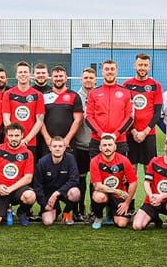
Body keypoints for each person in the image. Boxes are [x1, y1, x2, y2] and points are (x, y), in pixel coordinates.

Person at [0, 123, 37, 227]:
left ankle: (22, 212)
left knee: (30, 196)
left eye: (17, 136)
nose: (14, 138)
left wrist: (11, 188)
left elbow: (28, 178)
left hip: (16, 189)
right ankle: (4, 211)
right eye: (11, 135)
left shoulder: (27, 153)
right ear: (6, 136)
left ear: (22, 136)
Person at [132, 134, 167, 231]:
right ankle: (154, 217)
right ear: (165, 146)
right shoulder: (154, 162)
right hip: (153, 200)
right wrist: (151, 196)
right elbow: (146, 182)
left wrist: (162, 197)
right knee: (137, 226)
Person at [85, 59, 133, 160]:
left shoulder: (126, 92)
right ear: (102, 71)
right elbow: (88, 117)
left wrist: (116, 135)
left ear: (116, 71)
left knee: (119, 175)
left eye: (112, 69)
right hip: (97, 140)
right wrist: (101, 134)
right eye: (106, 69)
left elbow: (129, 117)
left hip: (119, 141)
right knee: (97, 173)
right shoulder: (93, 93)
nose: (109, 71)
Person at [123, 53, 164, 169]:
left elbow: (157, 113)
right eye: (140, 65)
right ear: (134, 66)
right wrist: (134, 131)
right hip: (131, 133)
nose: (142, 68)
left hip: (149, 134)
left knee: (149, 169)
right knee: (131, 169)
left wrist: (145, 132)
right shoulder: (127, 85)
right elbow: (125, 112)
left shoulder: (156, 86)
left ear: (149, 67)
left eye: (145, 65)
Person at [89, 134, 137, 229]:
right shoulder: (95, 161)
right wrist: (117, 191)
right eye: (104, 145)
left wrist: (127, 202)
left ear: (115, 147)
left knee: (122, 224)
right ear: (100, 148)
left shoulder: (124, 160)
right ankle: (98, 216)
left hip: (118, 196)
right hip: (104, 193)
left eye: (110, 145)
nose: (107, 148)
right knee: (99, 197)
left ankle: (113, 212)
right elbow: (98, 186)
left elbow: (133, 182)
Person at [2, 61, 46, 158]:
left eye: (25, 72)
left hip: (29, 142)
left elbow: (39, 120)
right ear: (16, 75)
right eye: (20, 72)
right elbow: (6, 118)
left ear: (30, 75)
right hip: (11, 142)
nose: (23, 74)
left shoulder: (38, 95)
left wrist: (26, 140)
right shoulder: (8, 94)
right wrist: (14, 137)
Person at [40, 65, 83, 165]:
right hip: (49, 143)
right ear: (51, 78)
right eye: (56, 76)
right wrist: (47, 139)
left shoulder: (74, 96)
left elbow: (78, 120)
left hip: (68, 143)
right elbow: (39, 119)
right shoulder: (44, 96)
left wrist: (67, 139)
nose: (58, 78)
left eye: (61, 76)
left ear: (66, 78)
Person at [33, 136, 80, 226]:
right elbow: (37, 186)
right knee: (48, 222)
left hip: (64, 192)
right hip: (49, 195)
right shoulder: (42, 162)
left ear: (65, 147)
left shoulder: (70, 159)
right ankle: (56, 209)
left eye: (60, 146)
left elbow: (74, 180)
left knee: (75, 193)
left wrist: (57, 193)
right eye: (54, 146)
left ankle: (66, 213)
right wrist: (44, 204)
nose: (57, 149)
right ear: (50, 148)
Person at [71, 67, 97, 221]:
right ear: (81, 79)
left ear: (95, 80)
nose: (88, 80)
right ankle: (79, 209)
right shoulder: (76, 97)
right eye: (86, 77)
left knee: (96, 180)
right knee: (80, 179)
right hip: (80, 145)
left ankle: (95, 210)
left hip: (96, 145)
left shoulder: (99, 95)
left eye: (91, 78)